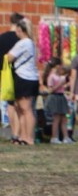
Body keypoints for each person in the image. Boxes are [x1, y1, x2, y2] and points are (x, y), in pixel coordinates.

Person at [5, 16, 39, 146]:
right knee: (20, 108)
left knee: (26, 108)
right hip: (27, 77)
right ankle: (23, 136)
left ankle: (28, 137)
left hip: (24, 77)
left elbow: (9, 58)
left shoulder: (23, 43)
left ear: (20, 29)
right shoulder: (30, 43)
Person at [0, 12, 23, 143]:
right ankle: (20, 133)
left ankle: (14, 134)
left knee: (10, 104)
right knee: (20, 105)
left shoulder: (2, 37)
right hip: (19, 73)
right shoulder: (22, 39)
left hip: (4, 74)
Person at [42, 58, 71, 144]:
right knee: (56, 118)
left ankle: (66, 137)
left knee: (64, 118)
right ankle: (54, 137)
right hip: (55, 98)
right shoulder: (51, 76)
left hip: (61, 97)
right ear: (57, 66)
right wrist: (60, 84)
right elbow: (50, 90)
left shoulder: (59, 76)